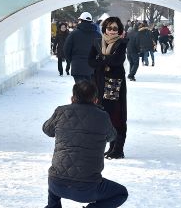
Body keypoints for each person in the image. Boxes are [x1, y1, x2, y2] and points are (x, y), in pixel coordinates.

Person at [43, 80, 128, 208]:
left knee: (57, 173)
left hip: (56, 185)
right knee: (121, 193)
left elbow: (47, 129)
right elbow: (112, 136)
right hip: (88, 188)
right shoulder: (103, 117)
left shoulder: (61, 111)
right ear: (95, 100)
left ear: (72, 98)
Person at [88, 17, 128, 159]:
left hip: (115, 84)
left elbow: (118, 60)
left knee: (117, 115)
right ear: (104, 28)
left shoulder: (121, 43)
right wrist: (104, 61)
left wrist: (102, 60)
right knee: (104, 115)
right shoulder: (97, 42)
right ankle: (110, 146)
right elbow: (90, 61)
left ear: (119, 30)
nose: (111, 31)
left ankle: (118, 148)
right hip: (99, 83)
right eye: (109, 28)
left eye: (115, 28)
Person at [64, 11, 102, 83]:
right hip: (92, 68)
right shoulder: (97, 35)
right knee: (91, 91)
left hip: (77, 67)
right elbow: (102, 51)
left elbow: (66, 49)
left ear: (81, 20)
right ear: (91, 21)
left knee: (80, 90)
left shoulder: (73, 34)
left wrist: (72, 60)